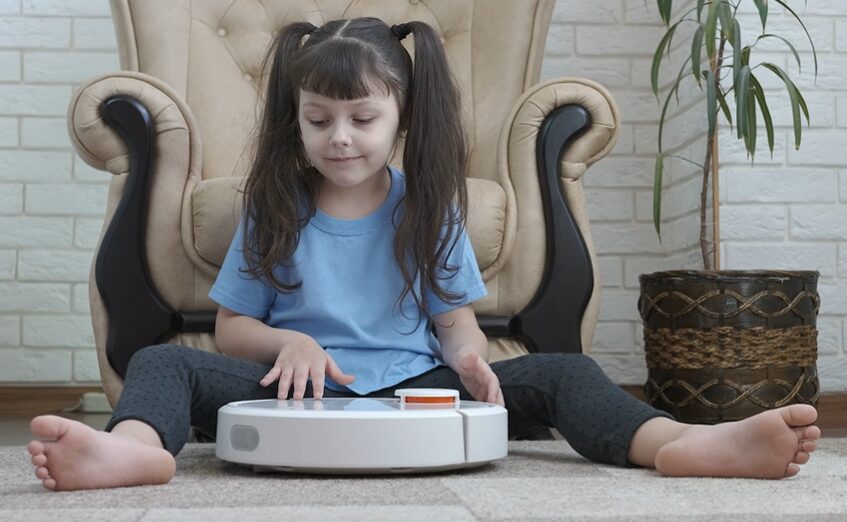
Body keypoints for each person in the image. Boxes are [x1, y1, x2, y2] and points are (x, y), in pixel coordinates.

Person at [27, 17, 820, 491]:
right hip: (295, 385)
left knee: (567, 372)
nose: (339, 137)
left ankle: (680, 444)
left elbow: (456, 323)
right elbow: (233, 327)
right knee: (166, 364)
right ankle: (131, 454)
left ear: (398, 119)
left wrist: (472, 359)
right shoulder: (273, 207)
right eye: (318, 119)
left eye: (361, 119)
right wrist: (288, 341)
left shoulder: (426, 210)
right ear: (296, 122)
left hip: (415, 385)